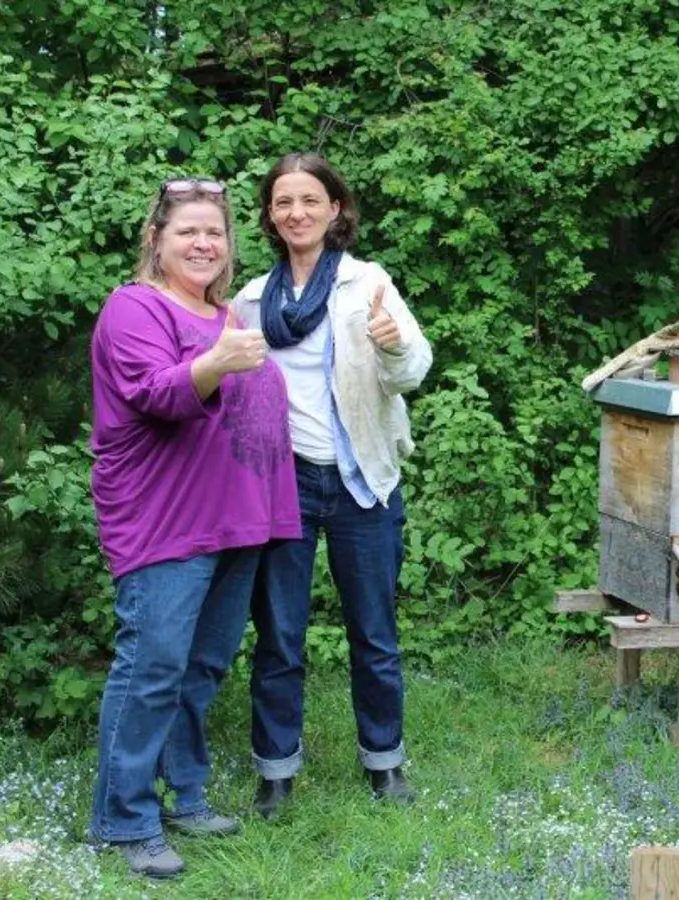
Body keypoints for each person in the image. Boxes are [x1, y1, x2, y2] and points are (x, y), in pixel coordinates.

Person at [87, 178, 300, 878]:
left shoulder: (223, 315)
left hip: (236, 525)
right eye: (188, 232)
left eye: (215, 232)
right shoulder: (134, 308)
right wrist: (214, 363)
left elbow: (256, 425)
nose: (205, 243)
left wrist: (273, 518)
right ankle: (123, 820)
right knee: (151, 669)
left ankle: (184, 795)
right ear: (156, 240)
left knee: (199, 669)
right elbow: (155, 394)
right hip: (164, 524)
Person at [230, 153, 432, 816]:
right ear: (269, 215)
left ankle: (384, 761)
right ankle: (277, 771)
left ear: (335, 209)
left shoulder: (366, 283)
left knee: (372, 629)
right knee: (280, 634)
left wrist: (394, 342)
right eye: (283, 202)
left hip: (360, 483)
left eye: (310, 200)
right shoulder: (252, 301)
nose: (297, 212)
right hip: (282, 483)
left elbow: (414, 371)